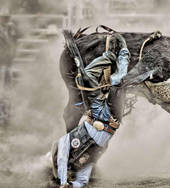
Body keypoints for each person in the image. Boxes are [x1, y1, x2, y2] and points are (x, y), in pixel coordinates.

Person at [52, 33, 130, 188]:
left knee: (101, 79)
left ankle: (114, 54)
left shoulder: (68, 146)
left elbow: (78, 178)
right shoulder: (85, 159)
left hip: (99, 119)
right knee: (112, 80)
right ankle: (117, 53)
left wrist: (63, 181)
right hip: (103, 120)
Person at [0, 9, 20, 85]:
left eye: (7, 17)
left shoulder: (11, 27)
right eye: (3, 17)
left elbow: (15, 39)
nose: (5, 19)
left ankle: (7, 92)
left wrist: (13, 51)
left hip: (8, 54)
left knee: (8, 73)